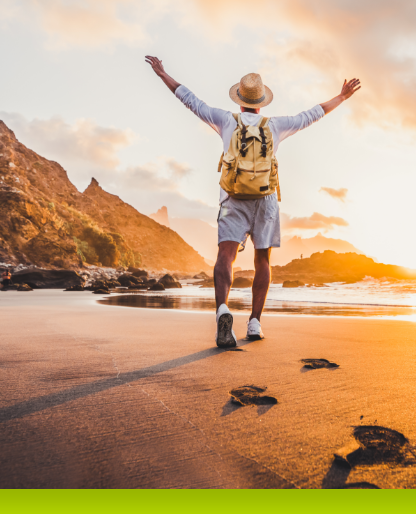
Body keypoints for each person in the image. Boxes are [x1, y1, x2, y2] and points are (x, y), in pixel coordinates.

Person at [145, 55, 361, 348]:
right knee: (263, 259)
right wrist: (342, 96)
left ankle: (223, 309)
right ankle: (255, 322)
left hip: (233, 198)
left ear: (239, 100)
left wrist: (162, 73)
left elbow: (190, 100)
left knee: (226, 256)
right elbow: (312, 114)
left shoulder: (224, 120)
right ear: (261, 102)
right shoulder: (275, 125)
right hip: (265, 200)